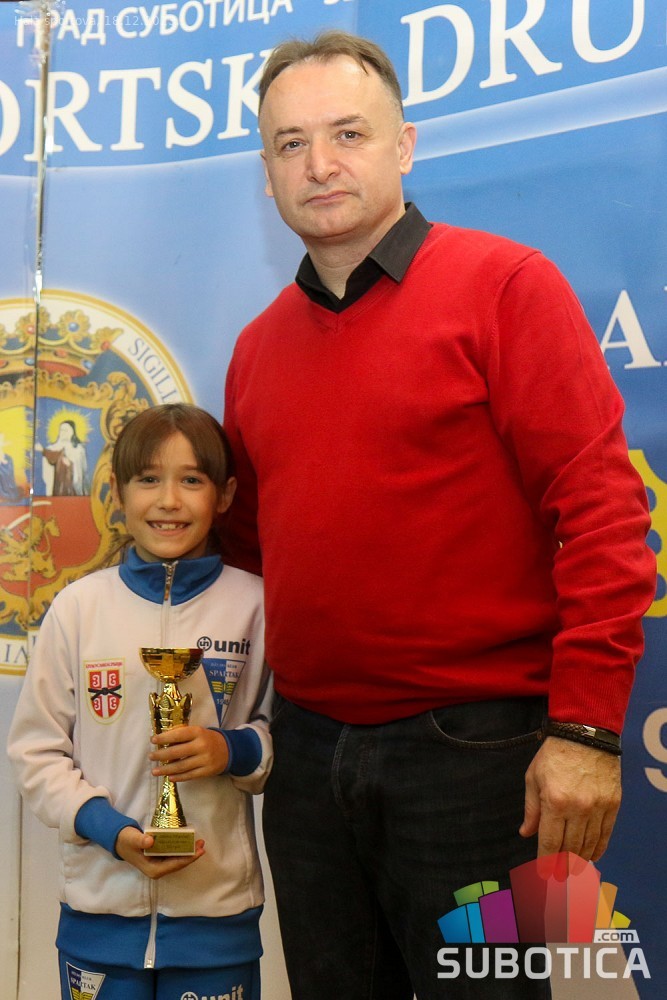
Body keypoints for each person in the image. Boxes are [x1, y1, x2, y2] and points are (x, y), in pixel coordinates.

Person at [222, 29, 657, 1000]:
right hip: (306, 759)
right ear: (267, 173)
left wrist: (586, 732)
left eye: (347, 133)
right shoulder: (255, 349)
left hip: (483, 760)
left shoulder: (506, 287)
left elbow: (601, 514)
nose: (318, 164)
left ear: (404, 145)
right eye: (290, 143)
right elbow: (249, 551)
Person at [8, 403, 272, 1000]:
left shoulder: (256, 606)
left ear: (226, 495)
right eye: (149, 479)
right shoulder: (78, 608)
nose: (168, 501)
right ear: (117, 492)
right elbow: (36, 752)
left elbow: (287, 734)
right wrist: (109, 830)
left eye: (191, 480)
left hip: (217, 920)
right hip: (98, 916)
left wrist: (230, 750)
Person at [37, 417, 89, 496]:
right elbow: (47, 474)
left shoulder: (79, 450)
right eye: (61, 430)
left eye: (66, 430)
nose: (63, 432)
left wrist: (71, 465)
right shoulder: (51, 448)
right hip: (58, 488)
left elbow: (83, 471)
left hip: (75, 490)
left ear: (72, 432)